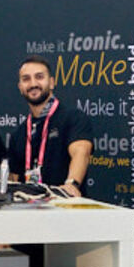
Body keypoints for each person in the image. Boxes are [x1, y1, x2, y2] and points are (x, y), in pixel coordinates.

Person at [14, 55, 93, 195]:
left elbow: (81, 152)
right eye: (26, 79)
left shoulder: (73, 118)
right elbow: (14, 178)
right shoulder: (19, 133)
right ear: (20, 87)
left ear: (51, 83)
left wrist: (72, 184)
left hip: (64, 204)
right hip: (28, 206)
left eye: (39, 77)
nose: (33, 84)